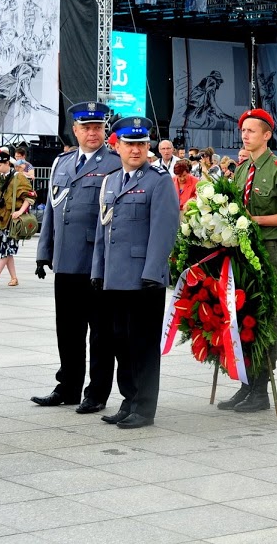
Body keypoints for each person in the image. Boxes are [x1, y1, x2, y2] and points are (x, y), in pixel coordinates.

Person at [32, 101, 121, 413]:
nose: (92, 132)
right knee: (67, 329)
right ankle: (68, 385)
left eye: (97, 127)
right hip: (66, 261)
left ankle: (97, 391)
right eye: (86, 127)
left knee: (100, 333)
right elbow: (53, 214)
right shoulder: (62, 163)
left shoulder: (115, 163)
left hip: (97, 263)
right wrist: (44, 253)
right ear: (75, 130)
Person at [92, 116, 180, 428]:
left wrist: (153, 274)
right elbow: (104, 230)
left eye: (141, 144)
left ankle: (144, 407)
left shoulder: (158, 180)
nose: (136, 149)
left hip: (144, 279)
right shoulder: (112, 181)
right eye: (129, 144)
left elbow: (164, 231)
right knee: (120, 341)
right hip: (115, 277)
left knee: (142, 345)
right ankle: (128, 399)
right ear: (116, 146)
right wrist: (97, 270)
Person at [218, 109, 277, 412]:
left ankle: (261, 388)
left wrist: (256, 220)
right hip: (241, 254)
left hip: (268, 252)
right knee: (241, 319)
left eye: (252, 130)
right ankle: (245, 384)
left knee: (265, 320)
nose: (246, 135)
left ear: (267, 135)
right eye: (244, 130)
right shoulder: (240, 170)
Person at [0, 151, 35, 287]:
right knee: (6, 250)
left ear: (8, 163)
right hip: (0, 218)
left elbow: (30, 197)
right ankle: (14, 278)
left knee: (6, 250)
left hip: (13, 220)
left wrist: (19, 211)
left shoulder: (19, 178)